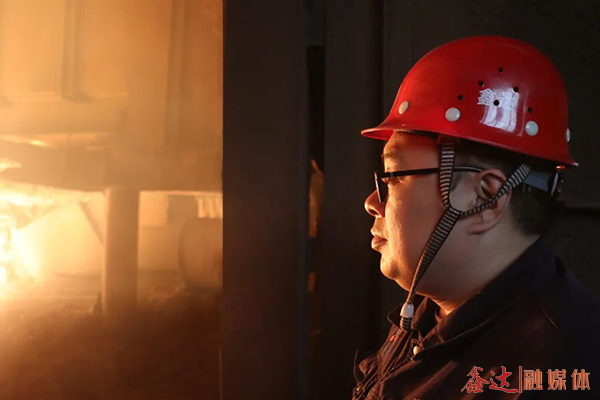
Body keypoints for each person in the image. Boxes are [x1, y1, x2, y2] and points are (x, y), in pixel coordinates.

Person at [355, 35, 599, 400]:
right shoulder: (435, 317)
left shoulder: (555, 371)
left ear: (485, 198)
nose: (372, 202)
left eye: (393, 176)